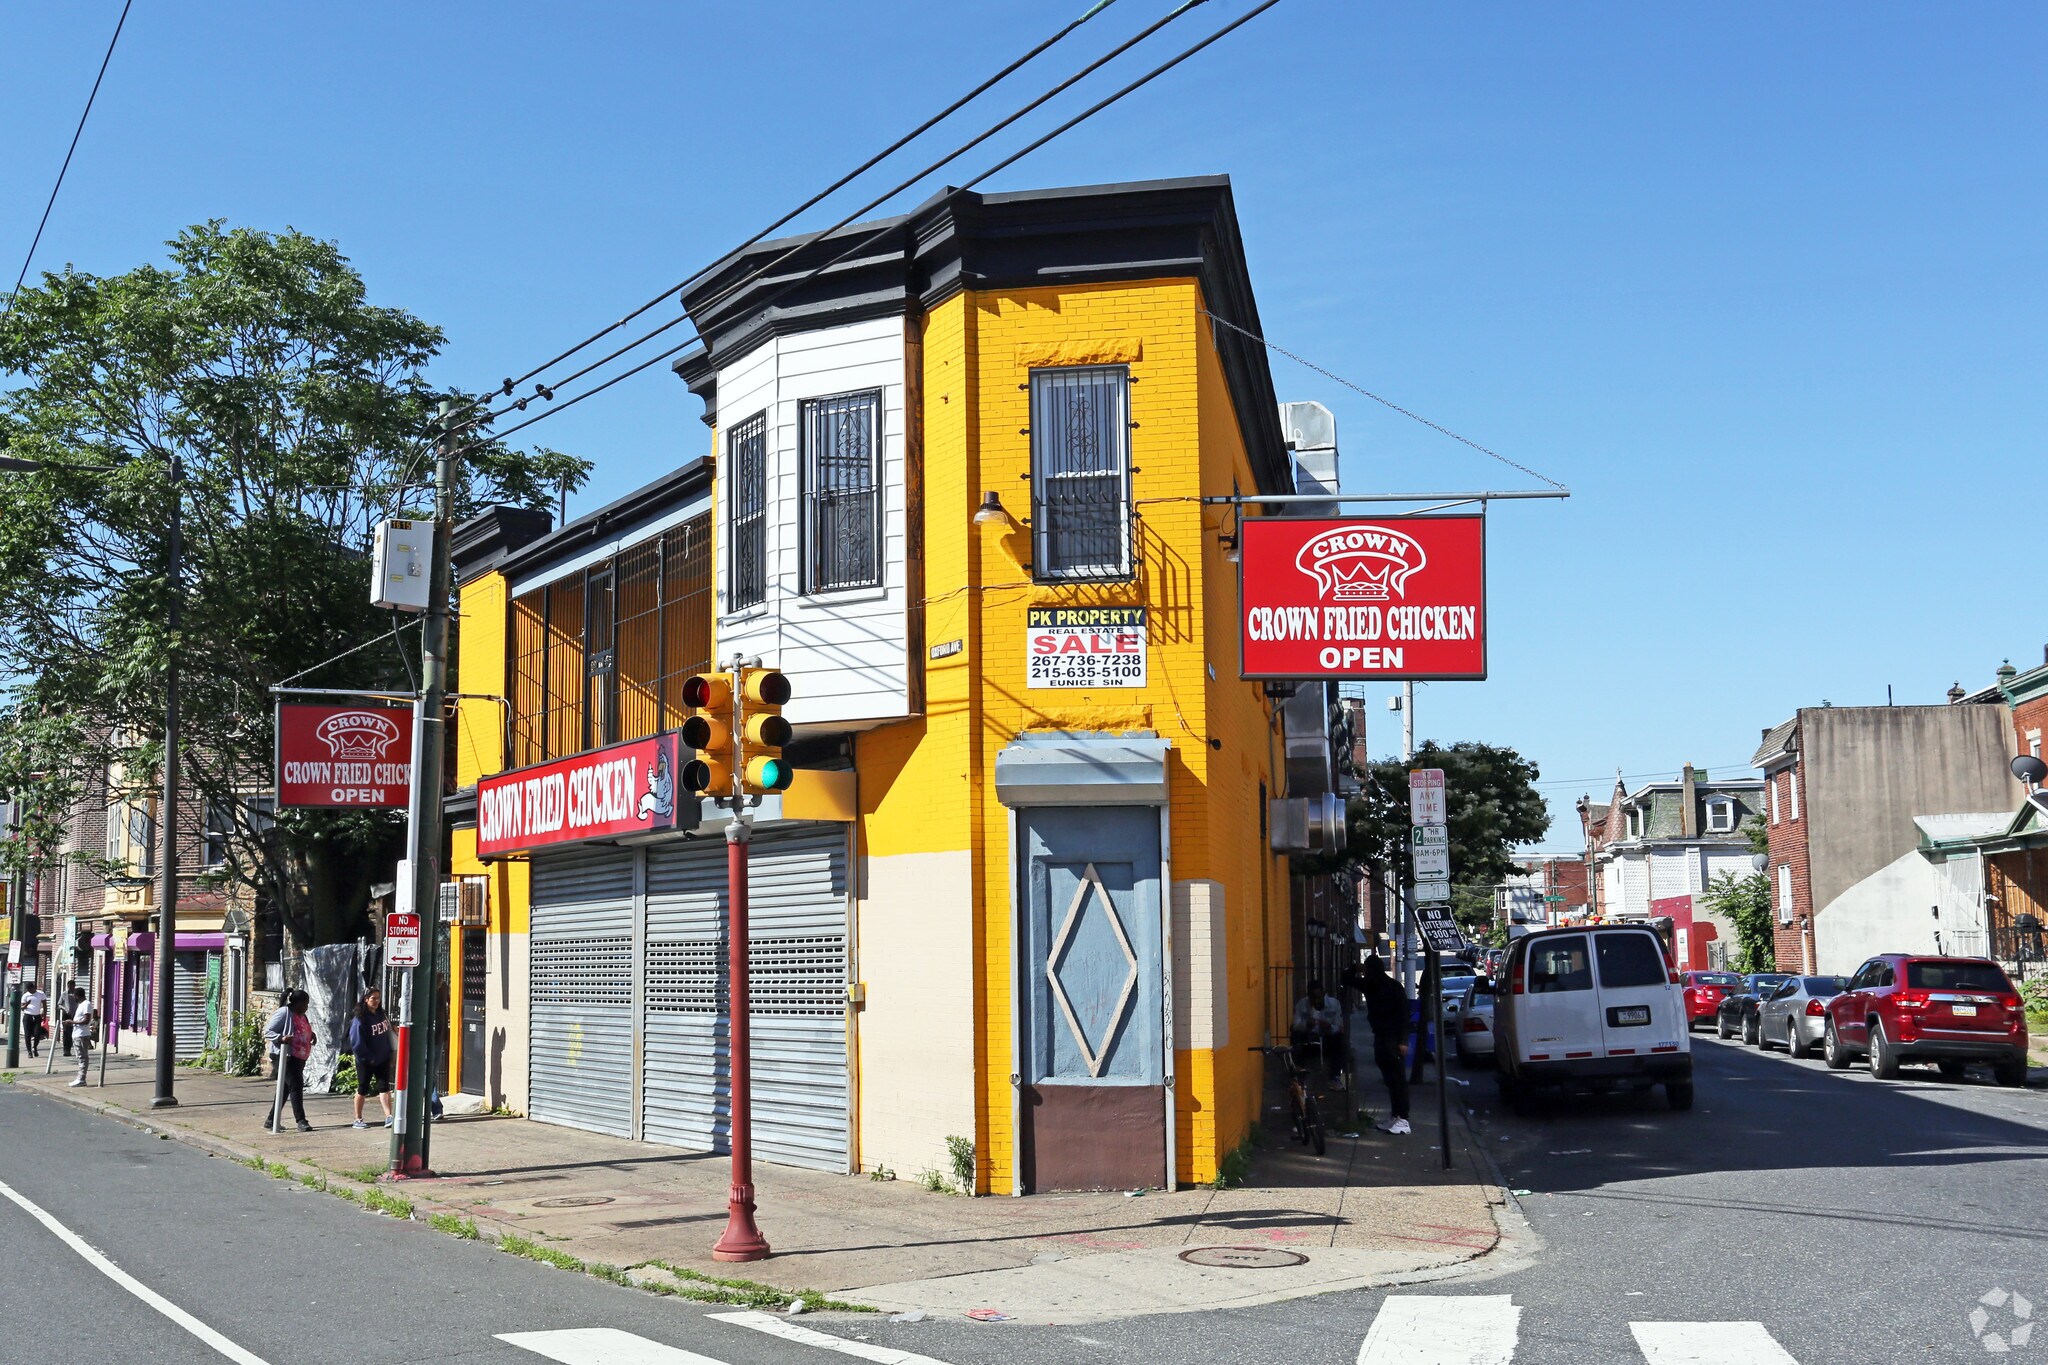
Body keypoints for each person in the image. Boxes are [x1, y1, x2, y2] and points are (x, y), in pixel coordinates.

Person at [1353, 955, 1413, 1136]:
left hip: (1391, 1037)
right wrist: (1356, 970)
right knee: (1391, 1078)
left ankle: (1402, 1118)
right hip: (1382, 1035)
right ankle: (1396, 1115)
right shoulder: (1373, 985)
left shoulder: (1390, 987)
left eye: (1368, 970)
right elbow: (1346, 979)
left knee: (1397, 1079)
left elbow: (1404, 1014)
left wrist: (1403, 1040)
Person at [264, 990, 314, 1133]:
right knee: (296, 1086)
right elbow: (268, 1032)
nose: (307, 1007)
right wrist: (281, 1038)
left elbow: (301, 1030)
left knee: (285, 1089)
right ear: (298, 1003)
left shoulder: (301, 1015)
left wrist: (311, 1035)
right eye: (305, 1004)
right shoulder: (284, 1013)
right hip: (284, 1056)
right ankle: (301, 1120)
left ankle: (271, 1119)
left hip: (298, 1056)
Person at [347, 989, 395, 1130]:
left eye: (378, 998)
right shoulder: (360, 1019)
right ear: (366, 999)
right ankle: (358, 1118)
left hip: (383, 1057)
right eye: (373, 998)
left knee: (384, 1087)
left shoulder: (381, 1014)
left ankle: (388, 1116)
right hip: (366, 1060)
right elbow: (356, 1042)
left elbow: (387, 1034)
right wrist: (368, 1058)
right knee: (363, 1088)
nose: (376, 1001)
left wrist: (390, 1053)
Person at [1291, 978, 1351, 1080]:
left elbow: (1339, 1026)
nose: (1316, 1001)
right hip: (1309, 1038)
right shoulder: (1302, 1004)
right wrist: (1306, 1025)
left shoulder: (1334, 1004)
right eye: (1312, 998)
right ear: (1308, 996)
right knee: (1295, 1036)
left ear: (1323, 994)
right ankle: (1298, 1074)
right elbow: (1295, 1025)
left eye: (1318, 997)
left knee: (1340, 1040)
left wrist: (1328, 1026)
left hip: (1328, 1038)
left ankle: (1336, 1077)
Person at [67, 986, 96, 1088]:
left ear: (77, 996)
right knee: (80, 1057)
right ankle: (80, 1078)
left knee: (82, 1057)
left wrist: (72, 1022)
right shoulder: (82, 1005)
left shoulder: (86, 1004)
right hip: (78, 1034)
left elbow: (86, 1020)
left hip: (82, 1035)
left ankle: (81, 1079)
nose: (74, 998)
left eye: (74, 996)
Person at [21, 985, 47, 1059]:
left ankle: (34, 1047)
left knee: (37, 1034)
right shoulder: (25, 995)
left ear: (34, 988)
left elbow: (44, 1004)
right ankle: (29, 1051)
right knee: (27, 1035)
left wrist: (44, 1015)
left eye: (30, 988)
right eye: (28, 989)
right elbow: (22, 1008)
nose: (29, 990)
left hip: (37, 1016)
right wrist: (26, 1004)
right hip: (28, 1016)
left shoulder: (40, 994)